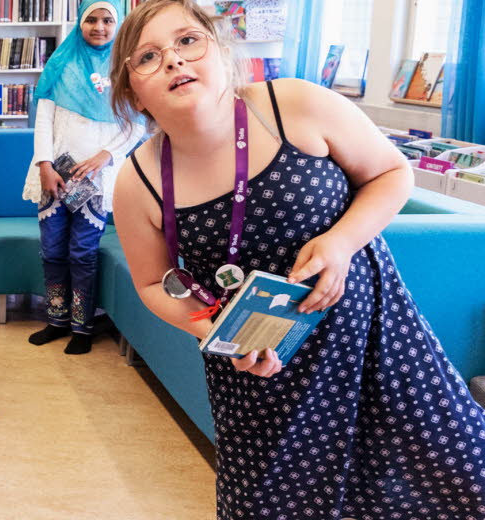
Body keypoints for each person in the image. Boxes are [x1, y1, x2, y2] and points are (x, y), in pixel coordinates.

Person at [110, 1, 485, 517]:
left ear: (219, 50)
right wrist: (215, 332)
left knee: (455, 485)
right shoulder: (138, 181)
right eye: (148, 56)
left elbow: (392, 174)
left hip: (377, 349)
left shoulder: (295, 105)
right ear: (132, 90)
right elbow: (154, 284)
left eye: (188, 41)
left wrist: (340, 242)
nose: (174, 60)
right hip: (261, 378)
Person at [24, 0, 142, 355]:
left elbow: (135, 124)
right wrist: (44, 165)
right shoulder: (61, 63)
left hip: (97, 179)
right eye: (91, 19)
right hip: (54, 177)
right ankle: (56, 320)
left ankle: (82, 327)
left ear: (117, 25)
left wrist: (104, 156)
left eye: (108, 20)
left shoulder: (127, 70)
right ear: (80, 22)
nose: (100, 27)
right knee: (53, 251)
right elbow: (43, 118)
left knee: (83, 253)